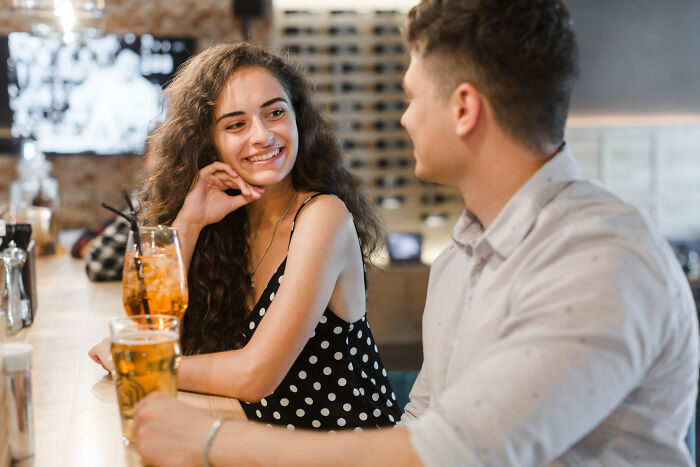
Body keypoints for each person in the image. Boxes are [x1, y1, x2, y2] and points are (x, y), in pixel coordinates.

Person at [129, 0, 699, 465]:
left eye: (410, 96)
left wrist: (208, 441)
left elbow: (453, 453)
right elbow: (423, 417)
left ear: (463, 109)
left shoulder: (597, 263)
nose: (404, 118)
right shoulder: (463, 253)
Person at [89, 42, 401, 430]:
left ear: (297, 118)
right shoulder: (225, 227)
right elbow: (157, 332)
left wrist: (135, 360)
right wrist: (190, 220)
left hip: (348, 450)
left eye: (275, 113)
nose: (262, 136)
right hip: (262, 442)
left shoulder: (324, 216)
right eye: (236, 124)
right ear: (209, 143)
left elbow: (255, 376)